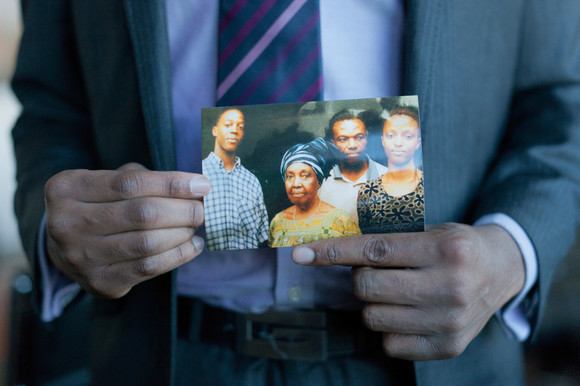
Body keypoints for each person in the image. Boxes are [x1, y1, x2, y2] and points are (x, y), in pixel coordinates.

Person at [10, 0, 580, 385]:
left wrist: (511, 251)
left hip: (424, 358)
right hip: (161, 350)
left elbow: (561, 105)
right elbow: (49, 105)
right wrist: (56, 232)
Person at [269, 138, 360, 247]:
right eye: (290, 176)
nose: (296, 184)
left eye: (305, 175)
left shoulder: (341, 221)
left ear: (318, 182)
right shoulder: (277, 222)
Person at [202, 108, 269, 250]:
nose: (234, 130)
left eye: (240, 127)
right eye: (228, 125)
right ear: (215, 131)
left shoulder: (252, 182)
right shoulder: (199, 174)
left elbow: (263, 236)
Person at [357, 107, 424, 234]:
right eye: (391, 135)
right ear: (383, 141)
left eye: (408, 136)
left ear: (417, 143)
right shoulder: (367, 192)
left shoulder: (429, 186)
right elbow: (367, 241)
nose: (398, 143)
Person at [318, 109, 388, 222]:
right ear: (333, 144)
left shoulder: (387, 175)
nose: (352, 145)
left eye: (359, 137)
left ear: (367, 138)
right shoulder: (320, 181)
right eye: (343, 139)